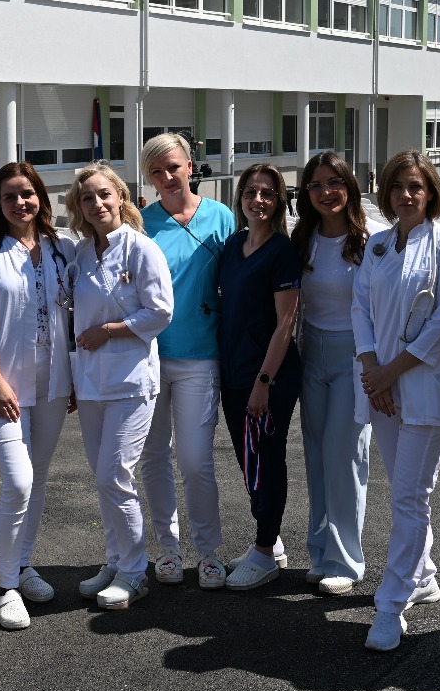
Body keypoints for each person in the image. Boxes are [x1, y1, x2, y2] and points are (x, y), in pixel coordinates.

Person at [0, 162, 77, 630]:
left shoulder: (63, 247)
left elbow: (77, 311)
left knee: (37, 479)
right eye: (9, 196)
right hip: (2, 389)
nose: (20, 203)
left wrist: (75, 377)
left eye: (27, 193)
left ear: (40, 196)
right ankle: (6, 588)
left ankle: (23, 566)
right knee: (19, 482)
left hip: (53, 384)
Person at [353, 150, 440, 651]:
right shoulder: (378, 245)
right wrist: (371, 370)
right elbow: (360, 308)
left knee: (408, 496)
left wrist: (389, 373)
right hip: (380, 389)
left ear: (431, 193)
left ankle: (391, 603)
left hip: (423, 389)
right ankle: (422, 575)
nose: (406, 194)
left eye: (416, 187)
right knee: (405, 494)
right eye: (398, 186)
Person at [67, 163, 174, 610]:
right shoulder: (80, 255)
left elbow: (161, 311)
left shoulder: (141, 248)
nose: (97, 203)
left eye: (104, 194)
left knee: (116, 475)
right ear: (78, 208)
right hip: (91, 382)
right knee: (103, 478)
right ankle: (115, 561)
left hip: (131, 382)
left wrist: (109, 330)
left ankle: (134, 571)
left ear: (121, 197)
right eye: (87, 198)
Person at [139, 133, 234, 589]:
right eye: (156, 171)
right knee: (154, 457)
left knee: (196, 461)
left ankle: (209, 551)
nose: (167, 176)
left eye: (173, 166)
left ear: (190, 167)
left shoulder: (221, 216)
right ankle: (168, 549)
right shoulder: (141, 223)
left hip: (201, 356)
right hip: (149, 358)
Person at [218, 162, 304, 591]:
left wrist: (263, 383)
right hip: (234, 372)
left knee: (267, 460)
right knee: (248, 461)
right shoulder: (233, 245)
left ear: (280, 201)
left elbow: (285, 324)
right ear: (240, 198)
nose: (258, 200)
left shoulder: (282, 251)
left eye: (268, 193)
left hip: (269, 378)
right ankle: (270, 540)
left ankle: (265, 551)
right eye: (251, 191)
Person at [290, 151, 372, 596]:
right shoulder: (302, 238)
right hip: (312, 353)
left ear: (349, 186)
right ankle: (321, 552)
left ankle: (346, 561)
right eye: (317, 185)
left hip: (355, 357)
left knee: (345, 457)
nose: (326, 192)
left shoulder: (370, 240)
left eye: (335, 182)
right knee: (318, 455)